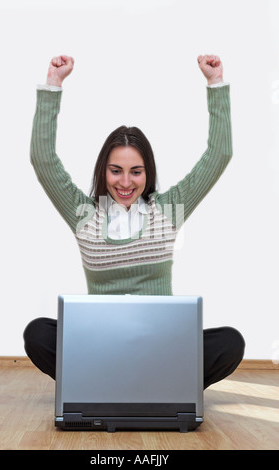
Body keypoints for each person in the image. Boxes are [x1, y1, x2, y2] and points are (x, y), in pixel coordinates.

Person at [24, 54, 245, 388]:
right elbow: (43, 159)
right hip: (101, 347)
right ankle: (132, 383)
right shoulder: (84, 214)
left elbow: (218, 155)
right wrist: (53, 85)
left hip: (161, 346)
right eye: (116, 171)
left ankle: (137, 382)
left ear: (147, 173)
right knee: (38, 332)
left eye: (135, 171)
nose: (125, 182)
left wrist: (215, 84)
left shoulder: (168, 209)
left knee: (230, 341)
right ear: (104, 171)